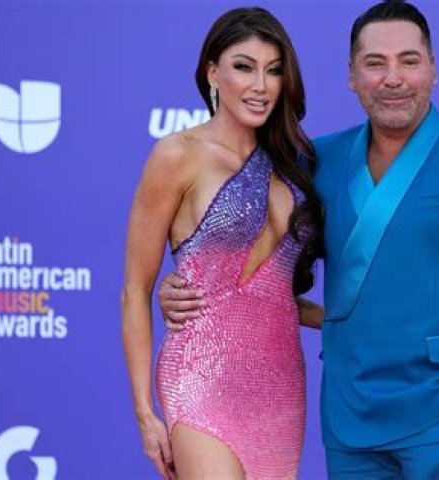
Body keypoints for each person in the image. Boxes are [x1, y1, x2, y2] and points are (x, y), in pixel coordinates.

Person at [160, 1, 439, 478]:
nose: (392, 78)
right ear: (351, 75)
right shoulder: (317, 161)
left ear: (433, 69)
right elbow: (257, 267)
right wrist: (189, 287)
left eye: (408, 61)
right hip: (350, 420)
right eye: (375, 63)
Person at [120, 7, 322, 479]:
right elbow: (135, 289)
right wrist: (144, 412)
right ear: (213, 73)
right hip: (202, 375)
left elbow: (271, 296)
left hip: (279, 385)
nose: (260, 85)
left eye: (273, 70)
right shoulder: (177, 155)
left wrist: (338, 320)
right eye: (244, 67)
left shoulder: (292, 166)